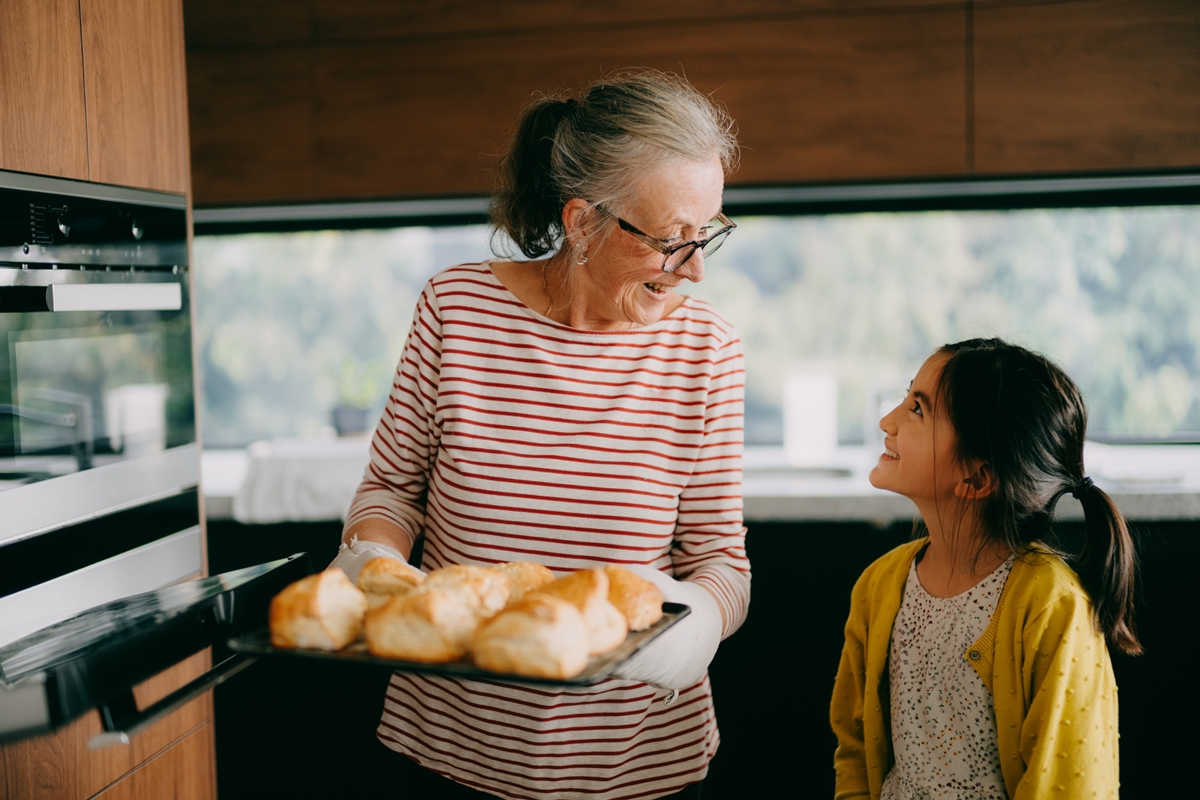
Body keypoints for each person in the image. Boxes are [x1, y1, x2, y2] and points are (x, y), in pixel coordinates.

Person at [329, 70, 750, 800]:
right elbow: (392, 491)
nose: (696, 270)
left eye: (708, 233)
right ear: (584, 222)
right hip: (451, 748)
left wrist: (704, 620)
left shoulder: (707, 350)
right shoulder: (456, 309)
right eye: (672, 241)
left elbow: (720, 558)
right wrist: (371, 559)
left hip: (634, 766)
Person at [831, 338, 1138, 799]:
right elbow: (853, 750)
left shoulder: (1052, 608)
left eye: (917, 409)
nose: (887, 421)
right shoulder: (878, 587)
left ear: (975, 477)